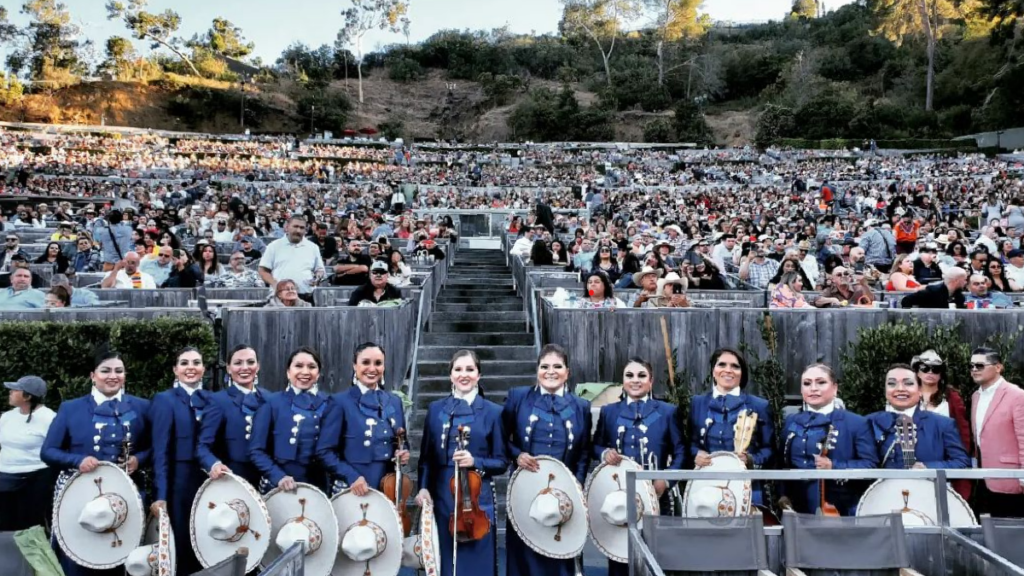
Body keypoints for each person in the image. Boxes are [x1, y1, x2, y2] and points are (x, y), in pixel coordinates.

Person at [41, 351, 152, 576]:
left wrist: (138, 459)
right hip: (79, 497)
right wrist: (77, 460)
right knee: (79, 555)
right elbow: (48, 452)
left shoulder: (142, 407)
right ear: (93, 376)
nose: (113, 376)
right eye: (106, 370)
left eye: (118, 371)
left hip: (127, 496)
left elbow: (157, 448)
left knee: (125, 557)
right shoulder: (70, 408)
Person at [414, 351, 508, 576]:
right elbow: (426, 458)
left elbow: (502, 462)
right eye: (458, 369)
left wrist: (475, 461)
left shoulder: (493, 412)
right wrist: (423, 487)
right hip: (441, 494)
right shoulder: (436, 410)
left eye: (469, 369)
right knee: (444, 558)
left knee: (477, 559)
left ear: (479, 374)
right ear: (450, 375)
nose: (463, 375)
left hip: (476, 495)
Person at [502, 344, 591, 576]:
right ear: (537, 370)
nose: (551, 371)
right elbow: (501, 438)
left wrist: (578, 482)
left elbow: (583, 451)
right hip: (524, 489)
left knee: (561, 553)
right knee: (523, 554)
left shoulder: (581, 407)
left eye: (557, 366)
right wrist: (517, 455)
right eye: (545, 366)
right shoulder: (518, 397)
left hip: (565, 492)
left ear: (567, 372)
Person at [592, 358, 683, 576]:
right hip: (619, 497)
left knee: (657, 560)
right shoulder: (608, 412)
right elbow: (595, 445)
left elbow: (682, 453)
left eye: (641, 375)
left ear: (651, 381)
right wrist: (605, 453)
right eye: (629, 375)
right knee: (620, 559)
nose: (635, 380)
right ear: (622, 381)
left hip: (657, 498)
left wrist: (666, 480)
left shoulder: (668, 411)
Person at [780, 364, 877, 515]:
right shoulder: (791, 421)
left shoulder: (856, 423)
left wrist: (834, 466)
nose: (813, 388)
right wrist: (782, 496)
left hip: (840, 510)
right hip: (796, 510)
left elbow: (870, 466)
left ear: (835, 388)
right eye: (807, 383)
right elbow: (781, 464)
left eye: (821, 382)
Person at [317, 342, 410, 495]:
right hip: (353, 489)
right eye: (366, 362)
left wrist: (403, 452)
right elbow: (324, 451)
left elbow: (402, 441)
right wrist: (351, 476)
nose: (372, 369)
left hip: (389, 488)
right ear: (355, 365)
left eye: (378, 363)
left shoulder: (394, 401)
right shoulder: (340, 402)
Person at [149, 347, 210, 574]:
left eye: (196, 362)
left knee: (208, 536)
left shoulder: (212, 399)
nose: (191, 368)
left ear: (203, 368)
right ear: (175, 370)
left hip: (208, 480)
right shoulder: (165, 400)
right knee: (183, 540)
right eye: (184, 363)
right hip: (179, 482)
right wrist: (161, 494)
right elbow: (160, 451)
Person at [690, 349, 773, 504]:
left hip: (747, 487)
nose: (728, 370)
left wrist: (750, 460)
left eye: (735, 366)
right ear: (713, 371)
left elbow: (770, 449)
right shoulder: (697, 403)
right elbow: (691, 443)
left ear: (742, 373)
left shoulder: (759, 405)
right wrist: (695, 454)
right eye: (722, 364)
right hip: (705, 486)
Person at [249, 346, 330, 493]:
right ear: (288, 372)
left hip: (321, 488)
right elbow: (256, 450)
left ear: (318, 374)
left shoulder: (330, 404)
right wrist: (278, 476)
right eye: (298, 366)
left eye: (312, 367)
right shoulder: (272, 403)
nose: (305, 372)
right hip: (280, 487)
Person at [866, 364, 970, 470]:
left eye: (908, 383)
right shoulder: (868, 423)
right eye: (892, 383)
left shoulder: (943, 424)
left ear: (920, 390)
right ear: (885, 390)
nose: (900, 389)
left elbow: (962, 462)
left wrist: (927, 468)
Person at [198, 345, 272, 488]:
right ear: (228, 368)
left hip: (269, 480)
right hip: (232, 480)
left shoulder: (270, 399)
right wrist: (214, 464)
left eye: (250, 362)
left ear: (258, 366)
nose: (245, 367)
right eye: (238, 363)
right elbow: (202, 446)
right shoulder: (218, 401)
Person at [970, 347, 1024, 518]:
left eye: (979, 365)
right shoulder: (975, 396)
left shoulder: (1017, 395)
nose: (974, 370)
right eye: (971, 366)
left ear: (998, 367)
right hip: (983, 480)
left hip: (1012, 481)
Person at [0, 376, 56, 531]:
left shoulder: (49, 418)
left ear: (28, 396)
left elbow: (57, 449)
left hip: (35, 479)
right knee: (4, 526)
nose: (10, 392)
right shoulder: (7, 417)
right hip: (4, 479)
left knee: (30, 527)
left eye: (15, 390)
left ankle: (35, 555)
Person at [259, 216, 326, 301]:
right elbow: (263, 270)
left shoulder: (313, 247)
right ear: (287, 227)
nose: (298, 230)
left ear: (305, 230)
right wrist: (275, 284)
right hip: (280, 296)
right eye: (295, 226)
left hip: (305, 296)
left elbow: (320, 270)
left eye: (302, 228)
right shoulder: (273, 246)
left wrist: (318, 277)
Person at [900, 267, 967, 309]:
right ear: (956, 280)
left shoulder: (960, 297)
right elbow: (906, 300)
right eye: (964, 280)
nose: (966, 282)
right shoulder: (932, 292)